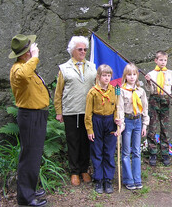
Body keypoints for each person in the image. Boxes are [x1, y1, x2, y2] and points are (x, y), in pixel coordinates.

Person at [9, 34, 49, 207]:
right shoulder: (18, 69)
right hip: (30, 115)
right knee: (29, 157)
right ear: (26, 53)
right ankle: (25, 198)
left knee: (34, 155)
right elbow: (25, 75)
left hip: (37, 115)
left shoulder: (25, 67)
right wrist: (35, 56)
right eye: (30, 50)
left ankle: (30, 189)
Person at [54, 36, 97, 186]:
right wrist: (59, 111)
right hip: (71, 111)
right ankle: (74, 171)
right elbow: (58, 92)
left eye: (85, 49)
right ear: (72, 50)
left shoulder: (92, 66)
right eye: (80, 49)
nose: (83, 52)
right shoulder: (64, 68)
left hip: (89, 111)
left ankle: (84, 169)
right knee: (73, 142)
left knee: (86, 141)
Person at [85, 64, 119, 194]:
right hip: (97, 121)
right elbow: (88, 113)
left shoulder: (115, 89)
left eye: (108, 75)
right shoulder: (92, 92)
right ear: (98, 77)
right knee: (97, 150)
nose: (106, 78)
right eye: (104, 75)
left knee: (109, 151)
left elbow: (117, 106)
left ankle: (108, 179)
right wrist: (89, 129)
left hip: (110, 121)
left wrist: (117, 120)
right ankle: (98, 179)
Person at [145, 51, 172, 166]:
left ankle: (165, 153)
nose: (163, 62)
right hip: (154, 100)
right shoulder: (151, 74)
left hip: (165, 101)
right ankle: (153, 153)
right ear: (156, 60)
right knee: (152, 127)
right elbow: (148, 90)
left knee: (164, 128)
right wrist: (148, 81)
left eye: (165, 60)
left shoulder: (170, 73)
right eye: (160, 60)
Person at [117, 64, 149, 190]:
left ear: (137, 76)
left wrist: (145, 125)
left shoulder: (140, 91)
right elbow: (119, 108)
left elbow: (145, 108)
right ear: (125, 76)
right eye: (129, 74)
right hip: (127, 121)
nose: (132, 77)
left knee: (136, 151)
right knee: (125, 151)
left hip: (138, 121)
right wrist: (122, 125)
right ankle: (128, 179)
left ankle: (137, 178)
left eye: (134, 74)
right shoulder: (121, 90)